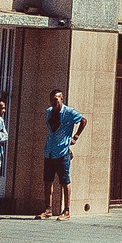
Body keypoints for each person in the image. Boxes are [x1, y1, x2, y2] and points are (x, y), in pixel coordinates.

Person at [43, 88, 86, 219]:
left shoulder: (69, 112)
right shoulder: (48, 112)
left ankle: (66, 210)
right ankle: (48, 209)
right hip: (50, 150)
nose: (53, 102)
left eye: (56, 99)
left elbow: (83, 120)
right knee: (47, 180)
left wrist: (75, 137)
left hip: (62, 151)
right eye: (51, 99)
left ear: (62, 99)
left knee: (64, 181)